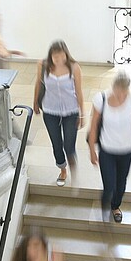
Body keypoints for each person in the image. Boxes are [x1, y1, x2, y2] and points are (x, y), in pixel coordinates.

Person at [88, 71, 131, 223]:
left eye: (124, 93)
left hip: (126, 150)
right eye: (118, 92)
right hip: (107, 149)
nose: (121, 96)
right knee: (109, 185)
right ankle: (104, 203)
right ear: (113, 88)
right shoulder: (101, 99)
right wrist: (92, 151)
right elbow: (93, 126)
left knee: (121, 183)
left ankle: (115, 206)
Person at [33, 40, 85, 187]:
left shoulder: (74, 67)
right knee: (56, 144)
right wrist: (35, 102)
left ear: (66, 55)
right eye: (55, 58)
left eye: (61, 57)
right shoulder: (42, 65)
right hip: (50, 110)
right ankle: (62, 170)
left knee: (69, 145)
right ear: (51, 56)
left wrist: (82, 114)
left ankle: (73, 167)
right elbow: (38, 83)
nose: (58, 60)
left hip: (71, 111)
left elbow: (79, 91)